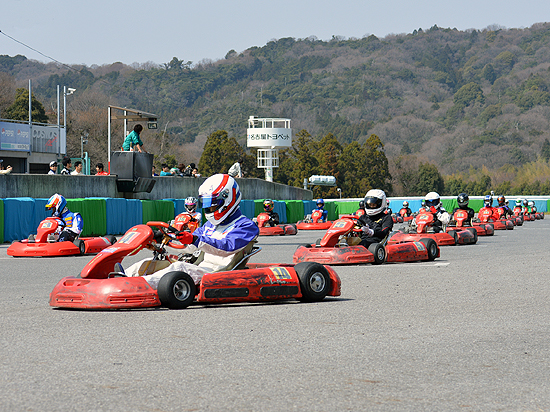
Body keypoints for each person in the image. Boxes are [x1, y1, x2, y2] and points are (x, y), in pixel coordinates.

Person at [120, 174, 260, 288]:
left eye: (212, 205)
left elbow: (226, 247)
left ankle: (136, 286)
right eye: (206, 205)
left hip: (218, 274)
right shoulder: (210, 225)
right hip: (200, 267)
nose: (209, 210)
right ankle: (118, 278)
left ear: (227, 199)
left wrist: (195, 239)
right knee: (149, 262)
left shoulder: (246, 226)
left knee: (181, 267)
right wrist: (165, 239)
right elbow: (189, 247)